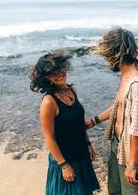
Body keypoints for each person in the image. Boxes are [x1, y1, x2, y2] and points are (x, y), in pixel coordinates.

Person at [87, 27, 138, 195]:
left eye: (107, 55)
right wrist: (93, 121)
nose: (106, 60)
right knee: (115, 192)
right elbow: (119, 106)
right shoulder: (126, 75)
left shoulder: (137, 85)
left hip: (130, 152)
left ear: (116, 54)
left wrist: (131, 165)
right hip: (117, 144)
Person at [29, 51, 100, 195]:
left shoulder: (71, 90)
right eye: (52, 73)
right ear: (46, 78)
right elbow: (49, 137)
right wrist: (63, 165)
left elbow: (79, 124)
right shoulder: (49, 102)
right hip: (65, 161)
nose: (59, 74)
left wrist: (88, 143)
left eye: (60, 69)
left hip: (81, 157)